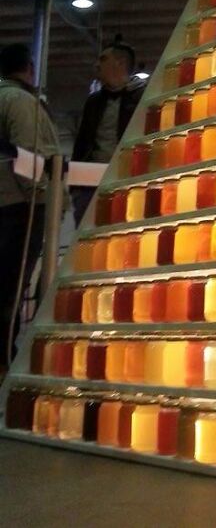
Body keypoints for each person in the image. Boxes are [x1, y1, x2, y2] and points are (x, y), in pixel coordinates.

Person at [0, 43, 61, 373]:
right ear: (29, 68)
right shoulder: (20, 102)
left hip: (8, 203)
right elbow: (31, 158)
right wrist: (50, 198)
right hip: (21, 205)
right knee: (10, 286)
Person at [71, 38, 145, 224]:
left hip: (128, 179)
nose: (97, 65)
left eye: (103, 59)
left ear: (120, 63)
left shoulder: (142, 97)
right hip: (91, 182)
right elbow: (81, 142)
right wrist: (76, 185)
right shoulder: (94, 102)